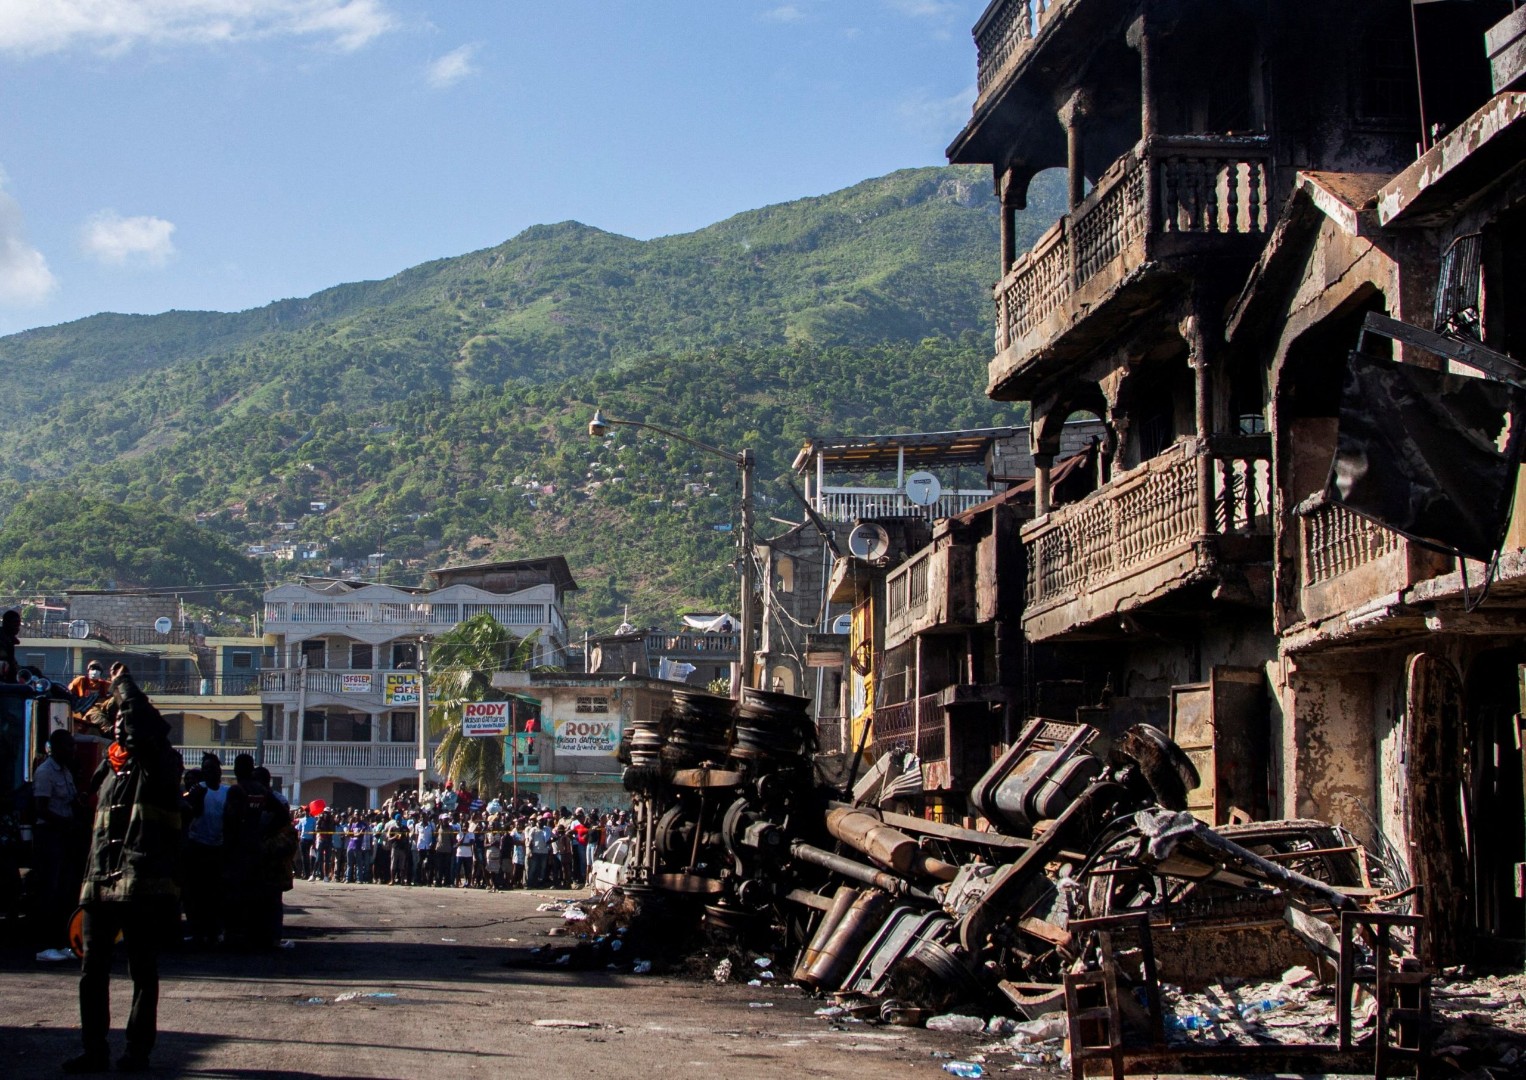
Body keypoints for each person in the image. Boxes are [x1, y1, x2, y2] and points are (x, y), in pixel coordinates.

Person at [67, 664, 183, 1074]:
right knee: (90, 971)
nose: (119, 727)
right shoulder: (108, 775)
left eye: (125, 721)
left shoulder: (161, 766)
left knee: (142, 971)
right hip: (101, 885)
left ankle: (137, 1051)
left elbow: (142, 728)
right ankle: (93, 1048)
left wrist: (125, 687)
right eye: (115, 721)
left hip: (142, 887)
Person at [32, 729, 84, 962]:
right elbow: (41, 808)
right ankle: (44, 944)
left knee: (65, 891)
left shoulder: (66, 772)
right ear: (57, 747)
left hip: (65, 837)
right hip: (50, 835)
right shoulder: (45, 772)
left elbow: (72, 800)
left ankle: (62, 942)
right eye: (69, 746)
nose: (73, 750)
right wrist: (65, 823)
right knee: (49, 891)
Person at [181, 753, 229, 947]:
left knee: (215, 893)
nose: (209, 772)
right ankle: (197, 931)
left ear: (219, 770)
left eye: (212, 768)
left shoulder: (227, 792)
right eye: (205, 768)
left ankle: (214, 930)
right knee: (197, 892)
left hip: (218, 847)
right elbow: (191, 813)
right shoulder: (197, 790)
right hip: (197, 845)